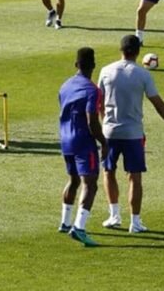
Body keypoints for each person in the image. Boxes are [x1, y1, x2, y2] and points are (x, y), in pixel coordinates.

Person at [98, 35, 164, 233]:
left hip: (109, 132)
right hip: (133, 134)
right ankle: (135, 222)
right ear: (138, 52)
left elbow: (99, 102)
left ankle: (114, 215)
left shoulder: (106, 71)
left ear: (121, 50)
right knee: (135, 176)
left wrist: (104, 122)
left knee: (108, 172)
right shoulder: (142, 74)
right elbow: (158, 104)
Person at [58, 47, 108, 247]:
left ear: (76, 64)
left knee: (74, 180)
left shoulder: (65, 86)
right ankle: (79, 227)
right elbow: (91, 121)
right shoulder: (92, 90)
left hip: (65, 139)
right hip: (83, 141)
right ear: (93, 65)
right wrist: (103, 142)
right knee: (91, 184)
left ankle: (65, 222)